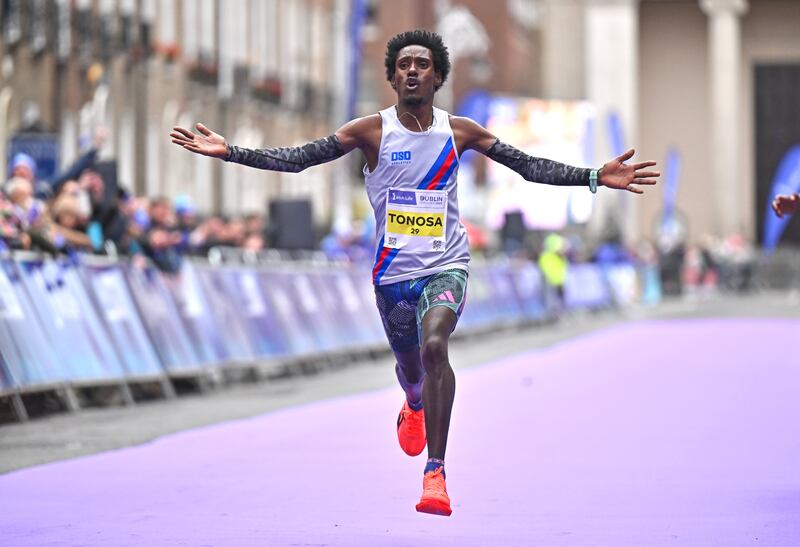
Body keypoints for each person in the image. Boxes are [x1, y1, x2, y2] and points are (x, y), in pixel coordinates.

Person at [170, 29, 659, 517]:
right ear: (391, 77)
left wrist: (594, 177)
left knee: (434, 347)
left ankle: (436, 472)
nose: (411, 71)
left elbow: (526, 166)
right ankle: (413, 402)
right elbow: (301, 159)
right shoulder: (370, 131)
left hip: (447, 264)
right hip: (392, 275)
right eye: (403, 65)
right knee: (411, 371)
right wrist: (233, 152)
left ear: (438, 76)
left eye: (422, 64)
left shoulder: (460, 131)